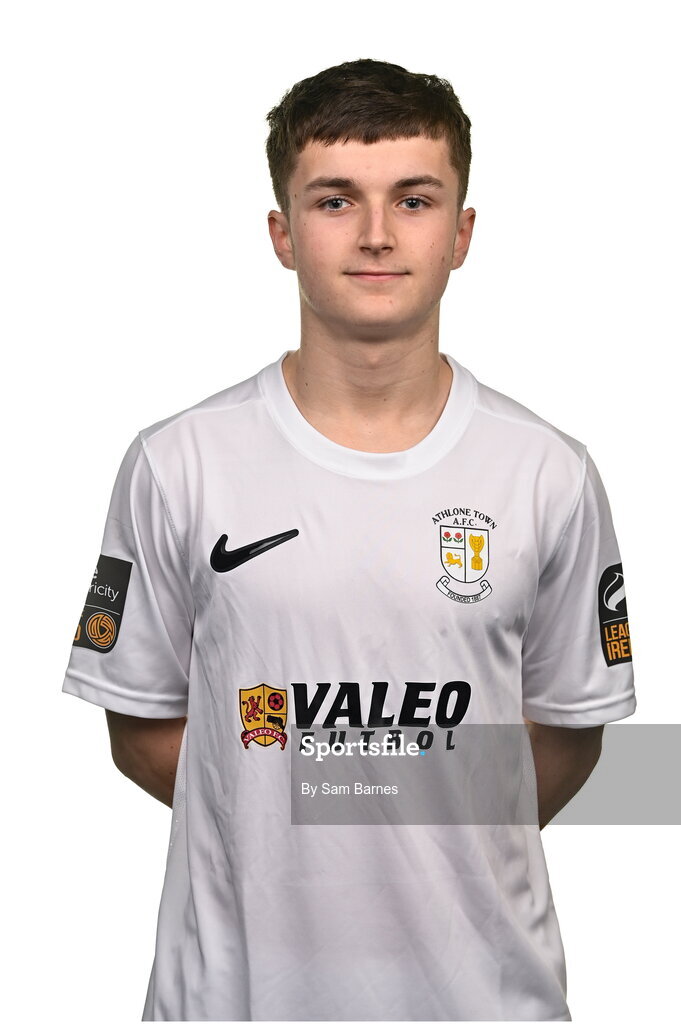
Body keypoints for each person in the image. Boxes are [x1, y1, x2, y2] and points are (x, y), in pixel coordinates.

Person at [61, 58, 636, 1022]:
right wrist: (291, 813)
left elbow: (569, 734)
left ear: (460, 234)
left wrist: (407, 814)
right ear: (283, 234)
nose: (376, 234)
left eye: (413, 199)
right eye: (335, 200)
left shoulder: (548, 472)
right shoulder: (178, 462)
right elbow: (143, 728)